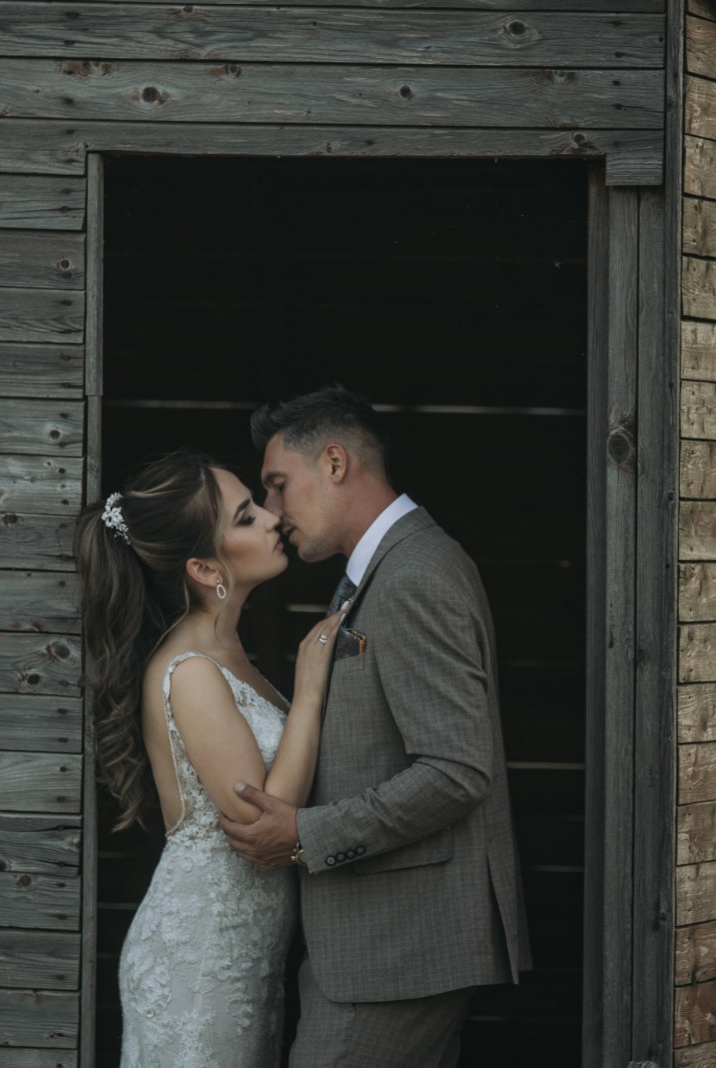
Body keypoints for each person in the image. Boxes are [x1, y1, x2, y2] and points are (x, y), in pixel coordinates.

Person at [221, 386, 532, 1067]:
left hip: (397, 951)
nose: (273, 511)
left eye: (278, 485)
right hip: (378, 946)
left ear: (335, 463)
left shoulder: (414, 574)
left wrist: (306, 834)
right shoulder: (387, 569)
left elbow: (457, 770)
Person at [75, 450, 344, 1068]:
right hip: (200, 960)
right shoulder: (191, 670)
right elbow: (262, 817)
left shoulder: (229, 652)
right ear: (203, 567)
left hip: (243, 956)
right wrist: (309, 692)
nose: (274, 518)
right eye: (247, 517)